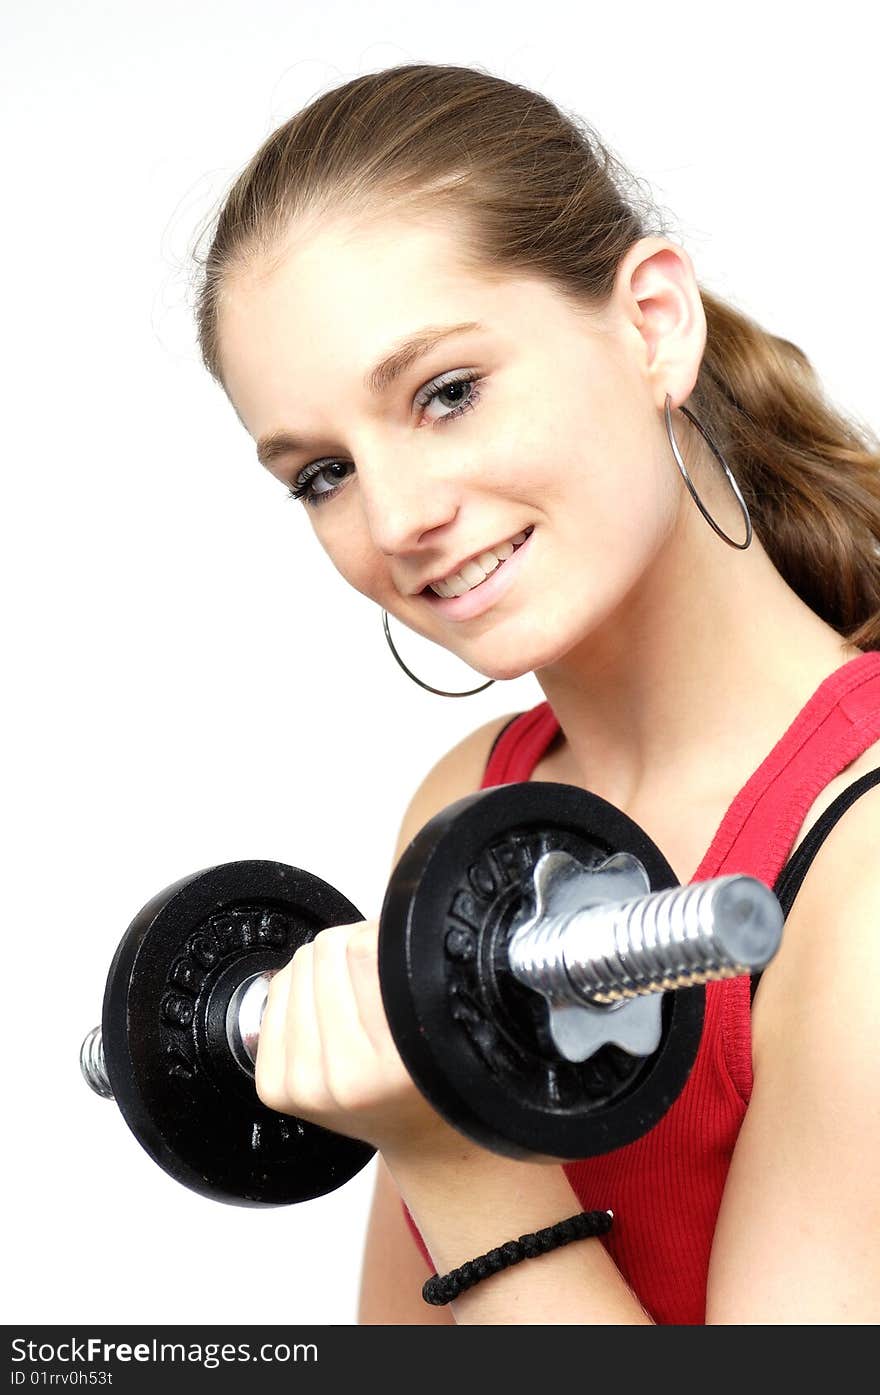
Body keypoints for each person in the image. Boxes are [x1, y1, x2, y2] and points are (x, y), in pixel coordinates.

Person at [191, 63, 880, 1324]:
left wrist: (459, 1161)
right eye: (323, 473)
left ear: (653, 322)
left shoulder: (866, 856)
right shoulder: (470, 807)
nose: (398, 519)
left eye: (446, 394)